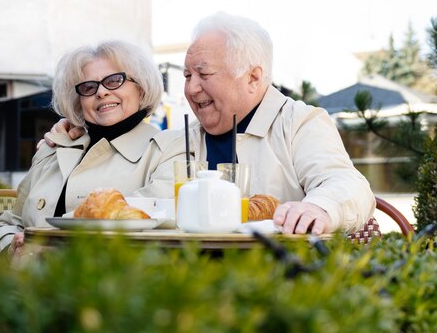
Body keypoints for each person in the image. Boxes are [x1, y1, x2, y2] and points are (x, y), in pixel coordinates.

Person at [42, 12, 376, 236]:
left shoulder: (299, 123)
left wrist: (320, 206)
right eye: (187, 75)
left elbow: (346, 183)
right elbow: (135, 201)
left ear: (253, 77)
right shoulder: (177, 142)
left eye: (204, 74)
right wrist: (76, 136)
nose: (190, 88)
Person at [0, 40, 187, 257]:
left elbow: (146, 219)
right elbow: (7, 224)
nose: (101, 92)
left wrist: (49, 245)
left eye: (114, 80)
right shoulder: (51, 149)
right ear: (79, 101)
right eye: (89, 87)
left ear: (141, 88)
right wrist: (12, 249)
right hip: (24, 284)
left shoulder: (169, 149)